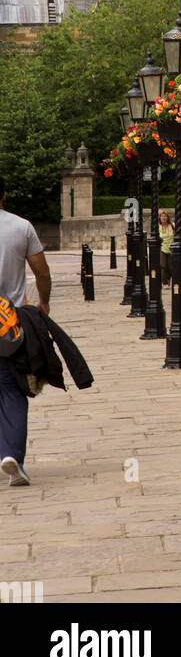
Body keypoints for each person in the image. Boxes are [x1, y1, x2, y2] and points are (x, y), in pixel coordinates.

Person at [0, 174, 52, 486]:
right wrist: (43, 303)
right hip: (10, 322)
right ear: (4, 195)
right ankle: (11, 456)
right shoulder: (21, 227)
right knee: (12, 390)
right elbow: (42, 272)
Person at [158, 209, 173, 286]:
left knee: (170, 267)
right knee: (163, 265)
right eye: (162, 216)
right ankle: (165, 283)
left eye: (165, 216)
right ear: (160, 218)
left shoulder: (172, 226)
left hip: (171, 249)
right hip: (162, 248)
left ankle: (168, 278)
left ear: (167, 218)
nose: (163, 218)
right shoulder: (158, 227)